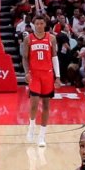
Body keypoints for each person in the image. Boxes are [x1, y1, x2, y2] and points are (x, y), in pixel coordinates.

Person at [22, 15, 58, 147]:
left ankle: (42, 135)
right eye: (36, 23)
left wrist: (58, 76)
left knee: (46, 106)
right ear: (33, 25)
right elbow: (25, 58)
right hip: (35, 75)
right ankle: (31, 126)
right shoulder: (28, 39)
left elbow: (55, 57)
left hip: (48, 75)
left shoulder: (52, 38)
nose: (39, 25)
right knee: (34, 104)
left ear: (45, 24)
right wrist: (26, 72)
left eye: (41, 23)